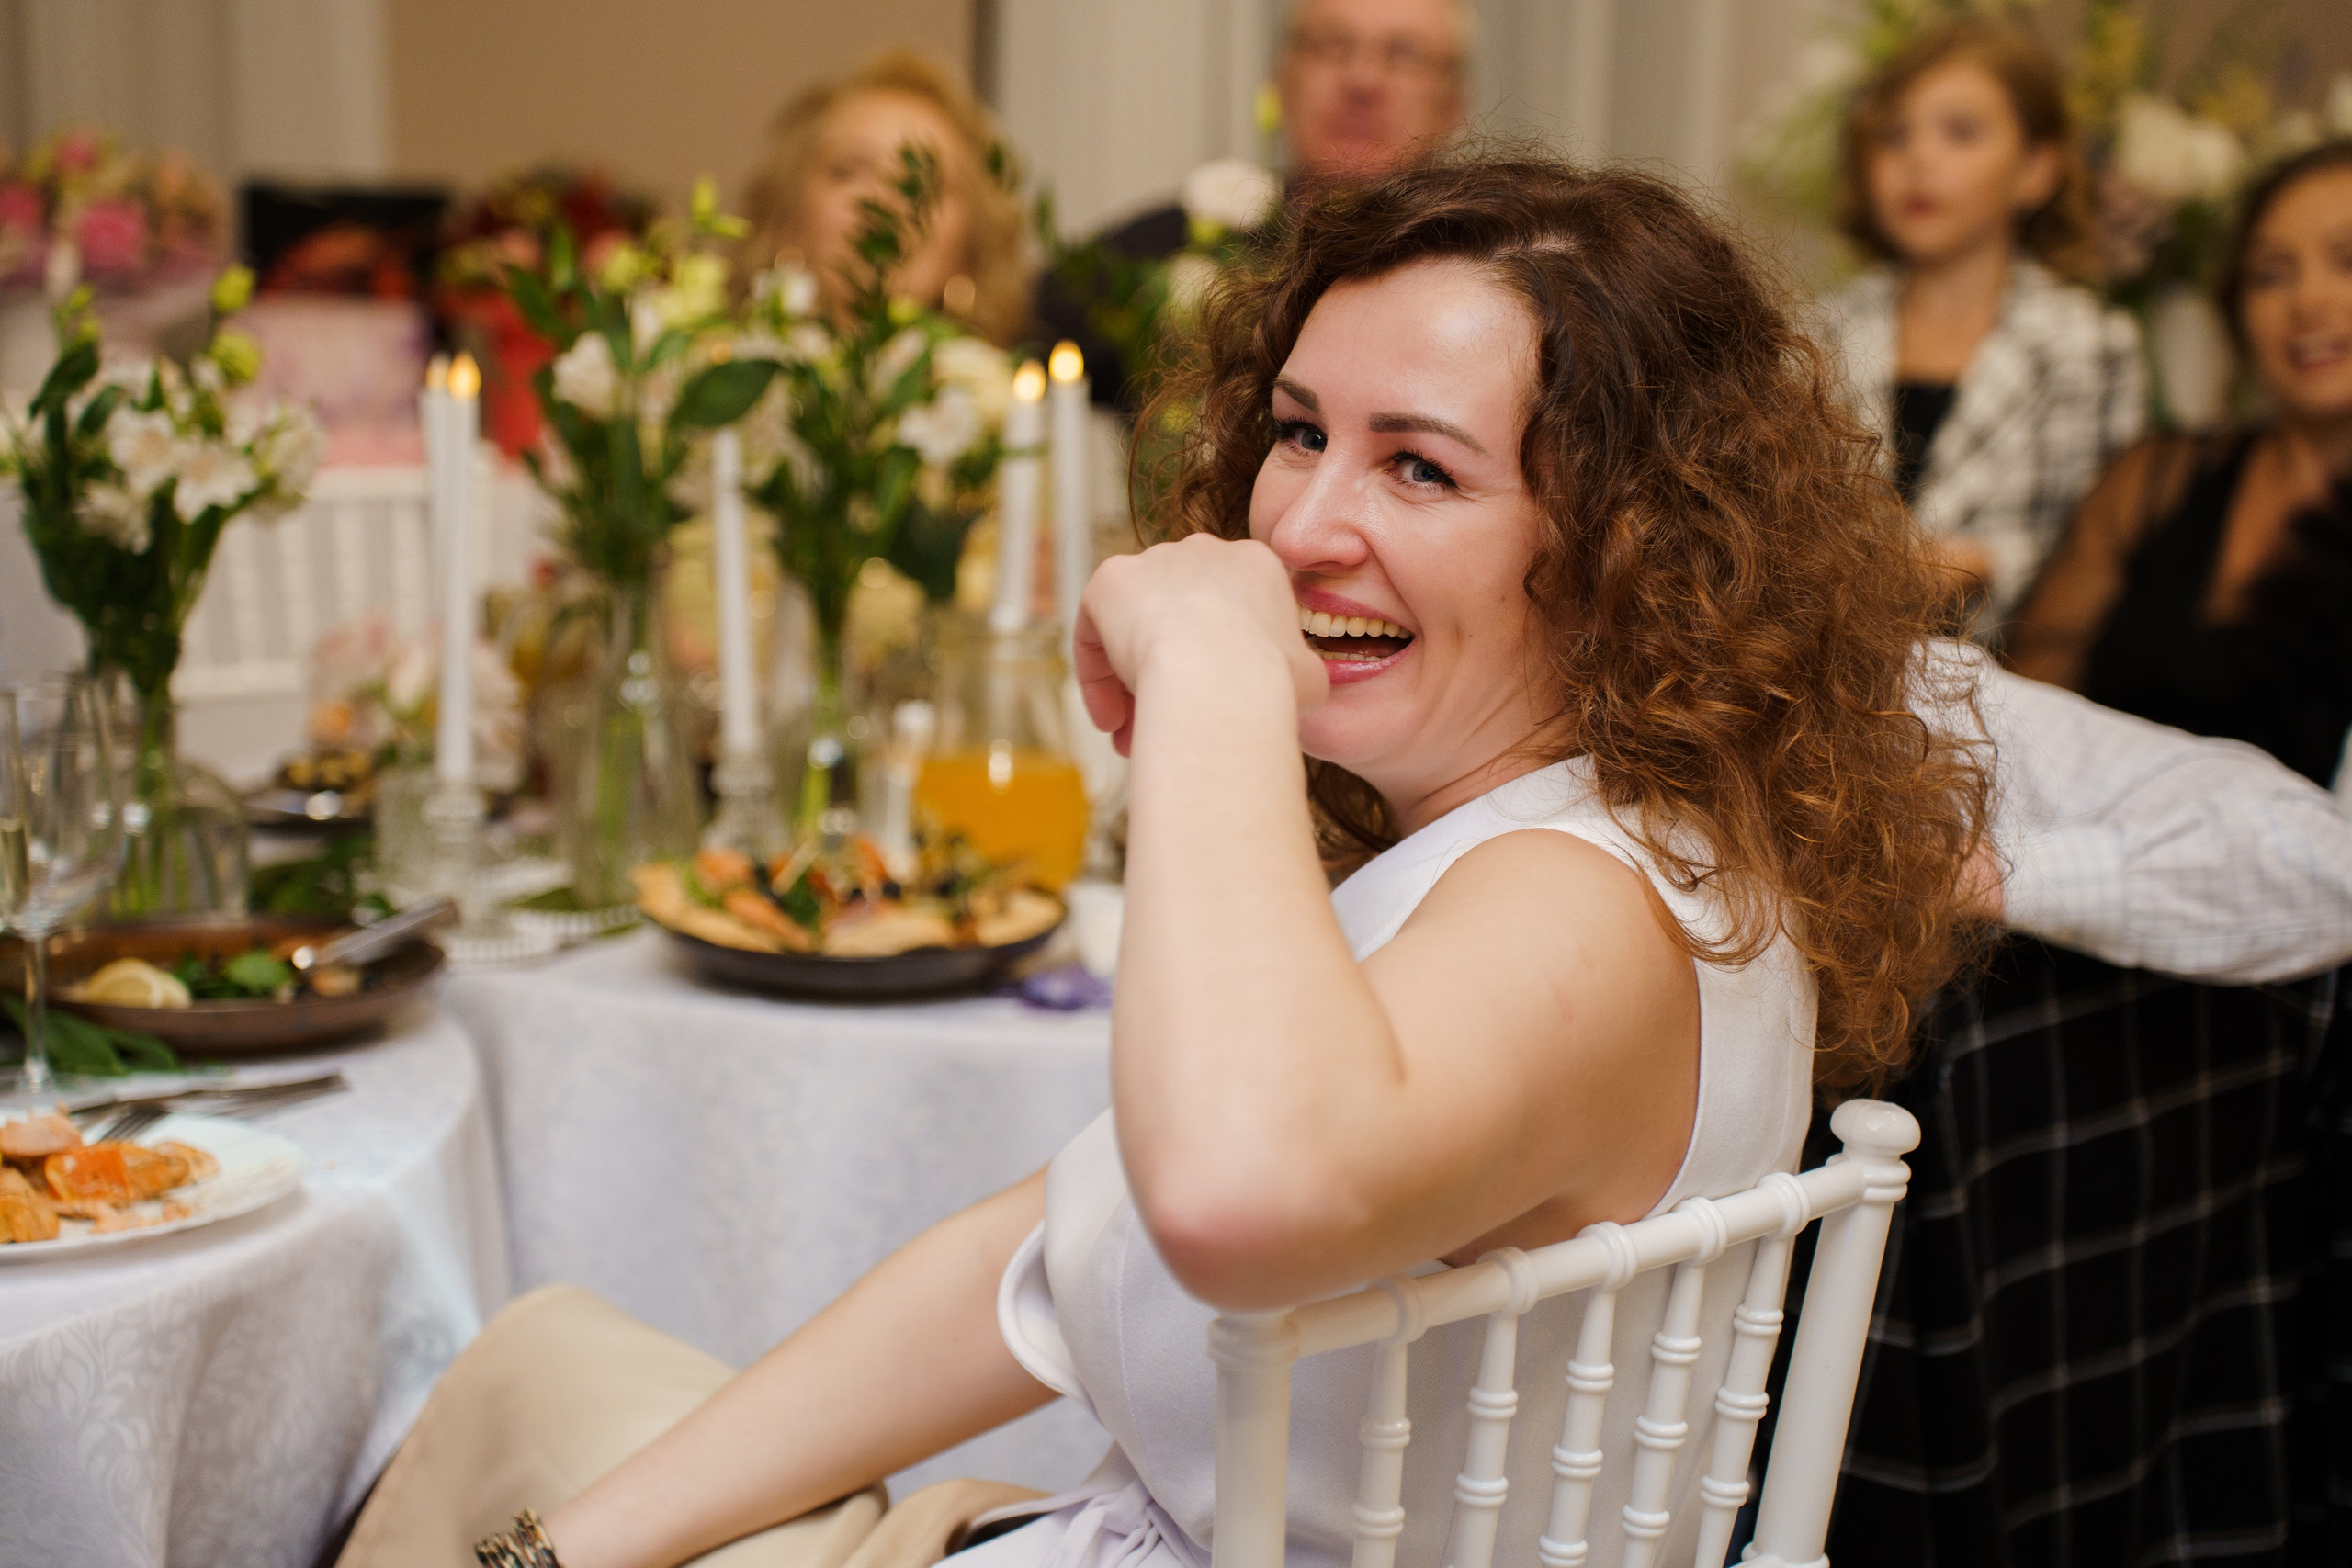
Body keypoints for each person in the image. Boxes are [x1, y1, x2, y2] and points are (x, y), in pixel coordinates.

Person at [344, 159, 2352, 1568]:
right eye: (1296, 432)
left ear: (1635, 545)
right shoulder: (1586, 837)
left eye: (1419, 465)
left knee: (468, 1373)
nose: (1298, 521)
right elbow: (1048, 1259)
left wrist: (1214, 679)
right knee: (543, 1392)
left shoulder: (1580, 909)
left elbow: (1225, 1194)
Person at [2008, 141, 2352, 790]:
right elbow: (2028, 701)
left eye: (2348, 262)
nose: (2309, 302)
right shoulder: (2154, 480)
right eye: (2271, 274)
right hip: (2077, 865)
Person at [1816, 18, 2144, 633]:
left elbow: (2100, 554)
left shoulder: (2091, 345)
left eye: (1960, 133)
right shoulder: (1818, 331)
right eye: (1893, 136)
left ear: (2036, 171)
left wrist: (1987, 568)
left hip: (2009, 685)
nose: (1918, 158)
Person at [1039, 0, 1471, 409]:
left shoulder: (1481, 271)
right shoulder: (1170, 248)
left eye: (1403, 55)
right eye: (1332, 47)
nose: (1362, 80)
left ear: (1452, 105)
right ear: (1282, 79)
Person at [737, 50, 1029, 347]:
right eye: (848, 172)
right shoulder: (703, 374)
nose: (885, 202)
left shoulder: (1006, 392)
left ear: (970, 248)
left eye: (922, 183)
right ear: (787, 219)